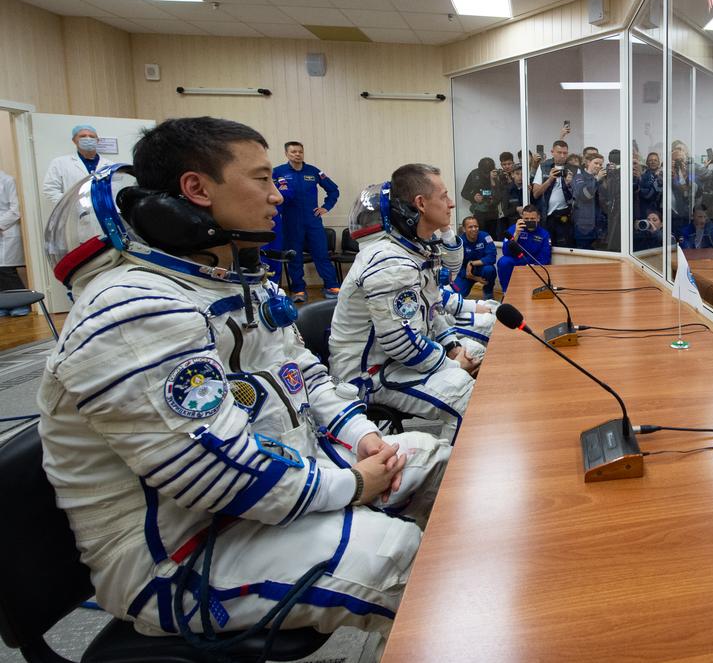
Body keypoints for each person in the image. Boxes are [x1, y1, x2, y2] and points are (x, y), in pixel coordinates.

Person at [39, 117, 450, 642]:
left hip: (268, 491)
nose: (277, 195)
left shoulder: (229, 280)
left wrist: (362, 436)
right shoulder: (132, 311)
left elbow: (305, 375)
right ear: (197, 188)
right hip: (181, 551)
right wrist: (351, 484)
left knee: (438, 465)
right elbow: (216, 473)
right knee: (405, 559)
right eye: (261, 179)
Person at [329, 169, 477, 444]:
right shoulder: (389, 260)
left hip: (392, 361)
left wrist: (452, 347)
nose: (451, 203)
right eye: (444, 196)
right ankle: (449, 467)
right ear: (421, 204)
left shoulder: (411, 250)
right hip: (369, 374)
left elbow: (431, 310)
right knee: (467, 395)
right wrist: (451, 365)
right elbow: (401, 343)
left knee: (476, 355)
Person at [273, 140, 341, 302]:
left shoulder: (314, 171)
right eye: (293, 152)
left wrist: (325, 207)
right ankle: (298, 290)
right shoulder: (278, 172)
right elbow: (271, 194)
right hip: (290, 222)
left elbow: (333, 190)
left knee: (321, 254)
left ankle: (331, 286)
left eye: (300, 151)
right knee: (294, 257)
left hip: (312, 221)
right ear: (286, 154)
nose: (297, 154)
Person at [42, 124, 117, 205]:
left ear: (97, 140)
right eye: (83, 136)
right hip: (74, 210)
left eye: (92, 136)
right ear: (74, 140)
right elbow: (50, 189)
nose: (88, 139)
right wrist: (73, 204)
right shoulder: (60, 163)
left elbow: (116, 189)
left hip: (104, 209)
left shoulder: (110, 165)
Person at [530, 133, 574, 247]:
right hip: (547, 216)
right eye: (559, 152)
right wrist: (549, 180)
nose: (562, 156)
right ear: (552, 152)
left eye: (565, 153)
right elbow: (535, 194)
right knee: (546, 246)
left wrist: (570, 184)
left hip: (565, 215)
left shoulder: (572, 168)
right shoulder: (544, 167)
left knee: (565, 248)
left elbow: (578, 196)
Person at [496, 205, 552, 291]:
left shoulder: (544, 234)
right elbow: (506, 252)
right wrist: (516, 234)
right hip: (517, 261)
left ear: (538, 218)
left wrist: (533, 266)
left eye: (532, 219)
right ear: (522, 218)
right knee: (503, 261)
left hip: (533, 263)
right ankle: (506, 292)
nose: (529, 221)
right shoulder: (514, 229)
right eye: (526, 219)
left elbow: (545, 256)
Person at [454, 215, 497, 300]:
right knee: (457, 293)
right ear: (464, 229)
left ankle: (488, 293)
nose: (474, 229)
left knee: (489, 270)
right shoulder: (459, 242)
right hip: (466, 273)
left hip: (482, 269)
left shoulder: (485, 236)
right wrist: (473, 277)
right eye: (470, 227)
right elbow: (457, 265)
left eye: (476, 226)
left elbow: (492, 257)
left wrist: (472, 263)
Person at [0, 168, 24, 315]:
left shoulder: (7, 180)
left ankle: (21, 304)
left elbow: (15, 210)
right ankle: (4, 305)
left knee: (6, 270)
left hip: (7, 231)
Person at [571, 154, 607, 249]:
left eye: (600, 164)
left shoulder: (602, 179)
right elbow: (584, 195)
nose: (598, 166)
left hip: (599, 226)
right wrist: (596, 179)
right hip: (584, 227)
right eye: (596, 163)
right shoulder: (579, 177)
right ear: (587, 162)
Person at [460, 156, 501, 237]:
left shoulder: (497, 174)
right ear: (480, 169)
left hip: (493, 211)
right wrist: (473, 197)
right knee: (479, 235)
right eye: (484, 172)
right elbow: (464, 192)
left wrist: (494, 181)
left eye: (488, 172)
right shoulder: (474, 174)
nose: (486, 175)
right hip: (479, 211)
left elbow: (503, 193)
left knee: (493, 236)